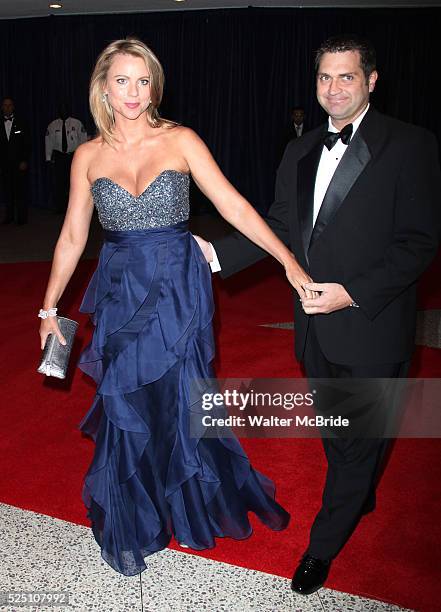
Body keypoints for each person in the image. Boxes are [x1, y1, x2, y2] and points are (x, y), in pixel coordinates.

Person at [38, 38, 316, 577]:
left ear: (155, 85)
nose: (134, 92)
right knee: (129, 401)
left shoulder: (181, 139)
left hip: (177, 285)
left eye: (144, 80)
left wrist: (287, 261)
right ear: (103, 87)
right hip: (120, 290)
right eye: (122, 80)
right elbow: (73, 235)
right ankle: (137, 511)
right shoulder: (88, 155)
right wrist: (49, 308)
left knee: (182, 397)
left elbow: (232, 203)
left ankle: (191, 503)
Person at [195, 34, 440, 595]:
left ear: (371, 81)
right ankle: (360, 483)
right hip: (313, 328)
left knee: (355, 443)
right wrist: (215, 255)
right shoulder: (298, 150)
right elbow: (280, 227)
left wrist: (350, 292)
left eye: (346, 77)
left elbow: (419, 242)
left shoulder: (411, 144)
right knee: (342, 430)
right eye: (324, 78)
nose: (333, 89)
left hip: (372, 323)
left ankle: (323, 545)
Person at [45, 103, 88, 213]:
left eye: (65, 108)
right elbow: (48, 142)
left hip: (73, 156)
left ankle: (74, 208)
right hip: (59, 157)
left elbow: (83, 140)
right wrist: (48, 158)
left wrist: (84, 158)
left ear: (69, 110)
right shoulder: (53, 125)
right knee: (59, 183)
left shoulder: (77, 123)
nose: (63, 111)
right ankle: (60, 207)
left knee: (75, 183)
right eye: (61, 109)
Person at [0, 97, 30, 224]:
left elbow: (27, 143)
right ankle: (9, 217)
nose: (7, 107)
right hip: (4, 164)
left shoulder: (21, 122)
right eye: (5, 105)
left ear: (13, 107)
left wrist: (24, 160)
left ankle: (21, 218)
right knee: (8, 191)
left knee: (20, 191)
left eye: (10, 105)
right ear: (2, 107)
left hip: (19, 163)